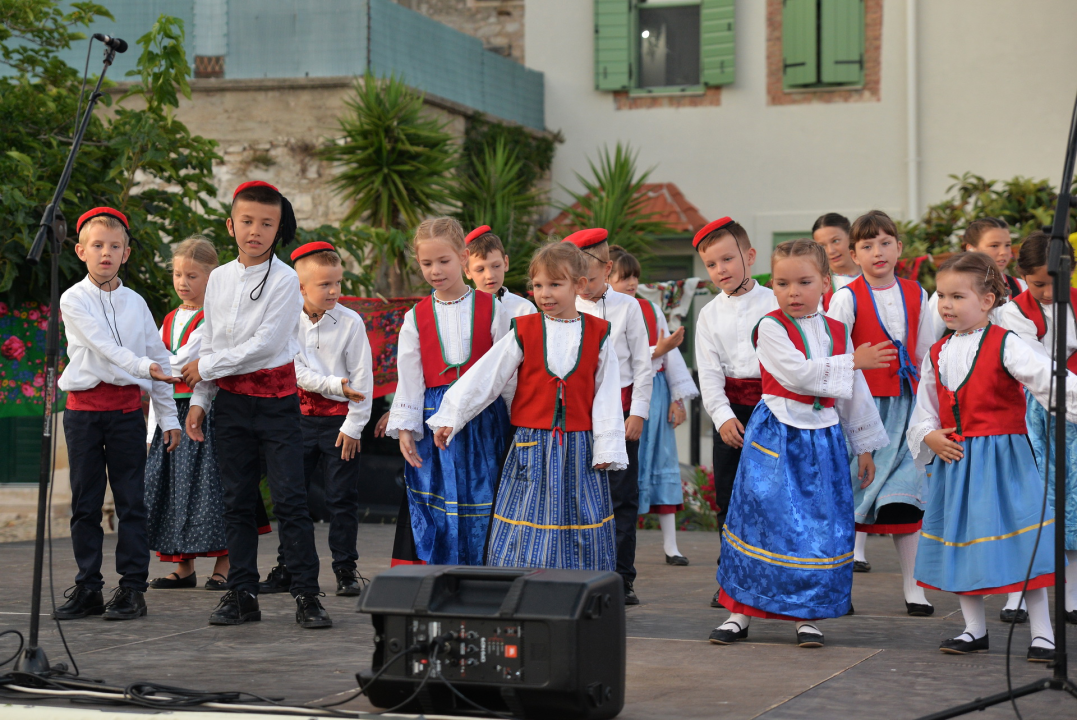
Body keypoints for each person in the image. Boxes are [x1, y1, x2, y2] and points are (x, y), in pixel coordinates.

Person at [709, 238, 891, 649]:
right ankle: (739, 611)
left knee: (816, 528)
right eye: (782, 283)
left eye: (804, 282)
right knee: (761, 522)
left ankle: (806, 615)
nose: (793, 292)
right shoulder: (770, 327)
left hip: (823, 439)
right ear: (772, 285)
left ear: (825, 282)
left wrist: (864, 446)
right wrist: (853, 361)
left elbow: (854, 393)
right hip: (777, 435)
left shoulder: (838, 331)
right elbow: (797, 374)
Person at [908, 251, 1071, 662]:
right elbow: (924, 407)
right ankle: (974, 629)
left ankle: (1043, 634)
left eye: (957, 296)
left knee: (1021, 543)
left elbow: (1048, 380)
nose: (947, 304)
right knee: (962, 540)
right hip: (957, 463)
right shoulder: (937, 352)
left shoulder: (1006, 343)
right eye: (942, 296)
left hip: (1004, 461)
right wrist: (929, 435)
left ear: (986, 300)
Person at [182, 181, 331, 629]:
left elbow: (265, 345)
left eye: (267, 223)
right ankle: (242, 593)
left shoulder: (285, 280)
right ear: (231, 226)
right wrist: (201, 399)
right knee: (237, 501)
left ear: (279, 228)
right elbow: (212, 339)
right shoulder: (219, 278)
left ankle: (307, 594)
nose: (255, 231)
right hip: (231, 405)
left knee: (290, 500)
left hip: (277, 405)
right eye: (246, 221)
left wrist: (205, 368)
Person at [429, 242, 626, 570]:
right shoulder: (525, 329)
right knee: (525, 516)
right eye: (538, 285)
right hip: (531, 445)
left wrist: (607, 445)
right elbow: (488, 376)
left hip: (579, 446)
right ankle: (522, 583)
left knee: (579, 514)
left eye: (555, 284)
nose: (545, 294)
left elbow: (607, 394)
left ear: (578, 284)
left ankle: (578, 585)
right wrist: (453, 415)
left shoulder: (598, 334)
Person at [53, 208, 180, 621]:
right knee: (85, 504)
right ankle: (88, 587)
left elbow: (159, 357)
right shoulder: (73, 298)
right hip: (83, 413)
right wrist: (145, 367)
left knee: (131, 502)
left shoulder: (136, 302)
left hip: (126, 412)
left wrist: (169, 418)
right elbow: (104, 345)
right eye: (97, 245)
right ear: (81, 251)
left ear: (126, 253)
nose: (105, 253)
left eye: (114, 246)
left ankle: (132, 589)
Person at [825, 211, 935, 616]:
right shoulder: (846, 297)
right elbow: (834, 354)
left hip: (908, 408)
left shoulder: (917, 293)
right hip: (862, 410)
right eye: (867, 245)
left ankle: (914, 588)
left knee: (906, 500)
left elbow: (925, 355)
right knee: (852, 500)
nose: (878, 252)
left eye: (885, 242)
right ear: (854, 254)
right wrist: (856, 363)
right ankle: (838, 587)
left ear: (899, 248)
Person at [385, 217, 511, 567]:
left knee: (485, 492)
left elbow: (505, 371)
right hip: (434, 421)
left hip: (483, 418)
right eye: (427, 263)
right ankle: (439, 572)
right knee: (437, 494)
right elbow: (410, 377)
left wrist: (516, 420)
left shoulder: (493, 308)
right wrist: (406, 427)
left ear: (463, 257)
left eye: (444, 261)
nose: (435, 270)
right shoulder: (416, 317)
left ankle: (485, 571)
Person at [146, 236, 267, 592]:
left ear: (211, 277)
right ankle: (183, 565)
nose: (183, 282)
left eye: (192, 275)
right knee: (175, 486)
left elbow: (184, 361)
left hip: (206, 409)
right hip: (171, 411)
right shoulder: (170, 318)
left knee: (213, 487)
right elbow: (158, 367)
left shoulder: (213, 317)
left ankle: (225, 564)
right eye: (177, 274)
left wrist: (150, 365)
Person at [258, 242, 373, 598]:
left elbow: (363, 381)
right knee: (291, 498)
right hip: (296, 422)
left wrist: (354, 427)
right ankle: (288, 567)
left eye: (338, 282)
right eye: (325, 284)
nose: (334, 291)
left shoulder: (351, 322)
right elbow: (294, 371)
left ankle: (345, 569)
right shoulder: (286, 319)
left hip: (340, 425)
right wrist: (336, 385)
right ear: (301, 287)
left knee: (342, 499)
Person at [693, 217, 778, 606]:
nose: (720, 270)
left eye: (727, 259)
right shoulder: (709, 314)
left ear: (750, 255)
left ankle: (780, 581)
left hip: (776, 412)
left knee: (775, 498)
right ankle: (731, 581)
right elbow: (709, 375)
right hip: (732, 414)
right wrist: (723, 417)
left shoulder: (776, 301)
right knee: (730, 499)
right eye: (711, 264)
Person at [568, 229, 652, 605]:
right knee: (579, 495)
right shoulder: (567, 307)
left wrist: (638, 413)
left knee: (621, 496)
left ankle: (622, 577)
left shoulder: (628, 307)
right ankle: (580, 573)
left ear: (607, 268)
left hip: (621, 414)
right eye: (576, 277)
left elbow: (643, 364)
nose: (582, 286)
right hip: (580, 414)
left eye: (589, 277)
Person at [997, 231, 1077, 627]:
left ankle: (1071, 596)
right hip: (1033, 412)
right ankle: (1020, 592)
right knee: (1032, 500)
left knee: (1073, 501)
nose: (1047, 293)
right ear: (1023, 276)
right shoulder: (1013, 312)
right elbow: (1035, 366)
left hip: (1073, 414)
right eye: (1037, 284)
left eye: (1054, 283)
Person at [608, 246, 699, 565]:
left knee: (662, 459)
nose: (632, 283)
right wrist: (657, 350)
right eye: (624, 277)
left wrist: (678, 399)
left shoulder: (650, 308)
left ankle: (671, 546)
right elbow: (617, 359)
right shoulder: (603, 310)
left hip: (656, 395)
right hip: (622, 396)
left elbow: (670, 356)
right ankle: (617, 547)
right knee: (625, 472)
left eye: (634, 276)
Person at [926, 218, 1023, 340]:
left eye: (1007, 245)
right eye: (994, 245)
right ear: (971, 249)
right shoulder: (949, 291)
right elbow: (928, 337)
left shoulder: (1022, 287)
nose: (1003, 252)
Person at [464, 225, 537, 318]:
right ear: (467, 272)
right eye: (480, 269)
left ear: (505, 263)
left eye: (496, 266)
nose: (490, 275)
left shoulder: (524, 310)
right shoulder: (463, 311)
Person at [813, 213, 861, 312]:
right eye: (822, 246)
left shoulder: (874, 274)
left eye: (835, 241)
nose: (830, 251)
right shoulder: (818, 284)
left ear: (851, 237)